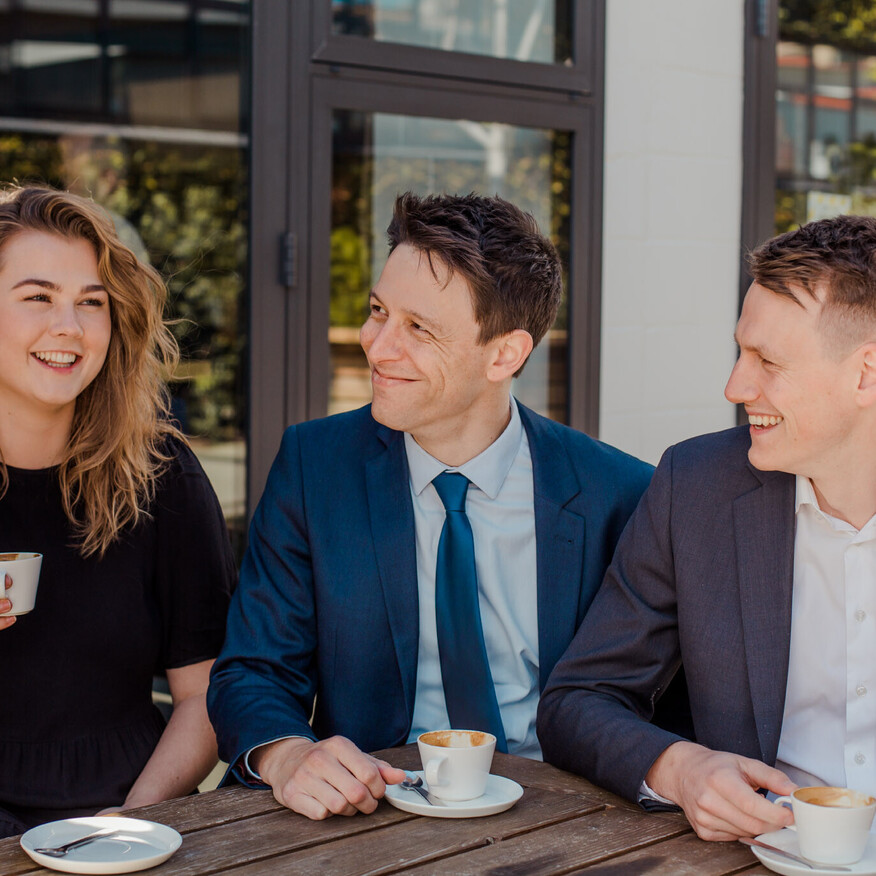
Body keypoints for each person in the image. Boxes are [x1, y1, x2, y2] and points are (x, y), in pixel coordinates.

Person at [207, 192, 653, 821]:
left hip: (563, 808)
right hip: (368, 807)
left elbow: (651, 703)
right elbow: (252, 670)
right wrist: (287, 756)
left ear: (505, 354)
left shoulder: (621, 494)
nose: (378, 346)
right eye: (378, 311)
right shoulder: (315, 465)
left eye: (419, 328)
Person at [537, 213, 876, 842]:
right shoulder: (695, 487)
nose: (735, 385)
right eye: (740, 352)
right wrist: (682, 768)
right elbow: (577, 699)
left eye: (768, 361)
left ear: (866, 373)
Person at [0, 185, 235, 838]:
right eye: (38, 297)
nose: (68, 327)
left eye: (91, 304)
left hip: (127, 822)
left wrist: (132, 820)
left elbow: (204, 696)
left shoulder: (164, 476)